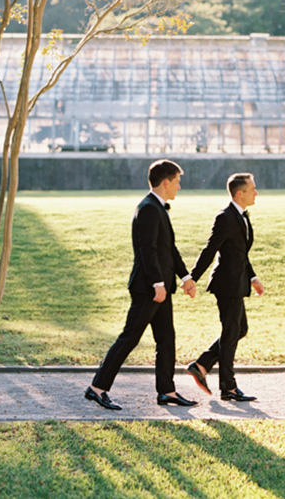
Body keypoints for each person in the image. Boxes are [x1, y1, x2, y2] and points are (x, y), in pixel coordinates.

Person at [85, 159, 200, 410]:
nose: (179, 187)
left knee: (166, 339)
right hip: (148, 288)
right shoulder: (148, 208)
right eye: (177, 182)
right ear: (166, 182)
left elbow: (168, 249)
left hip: (161, 288)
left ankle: (167, 392)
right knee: (129, 338)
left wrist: (185, 277)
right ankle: (97, 388)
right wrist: (158, 283)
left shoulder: (158, 207)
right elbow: (146, 251)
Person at [186, 173, 265, 402]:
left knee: (238, 330)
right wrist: (192, 278)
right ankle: (228, 388)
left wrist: (253, 278)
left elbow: (240, 253)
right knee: (231, 333)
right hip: (226, 284)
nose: (256, 193)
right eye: (253, 189)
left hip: (238, 282)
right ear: (239, 193)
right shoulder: (225, 217)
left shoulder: (241, 216)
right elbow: (210, 249)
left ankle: (201, 365)